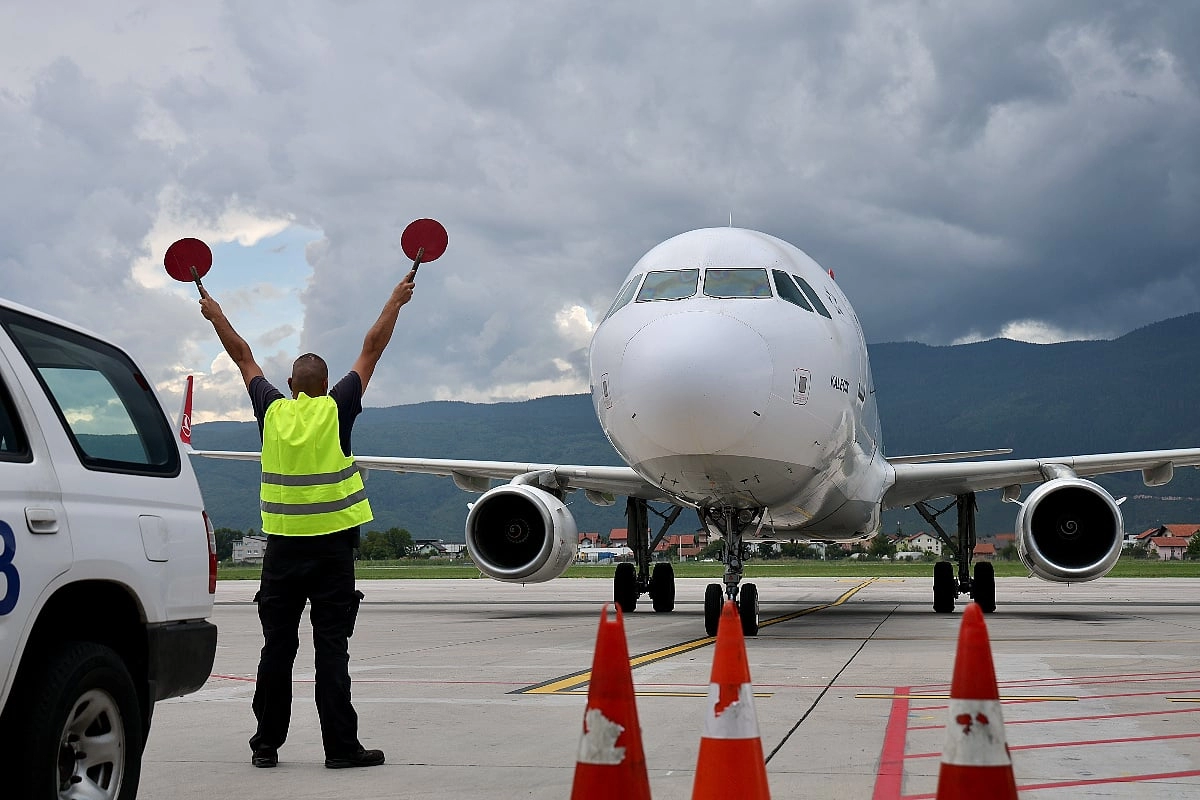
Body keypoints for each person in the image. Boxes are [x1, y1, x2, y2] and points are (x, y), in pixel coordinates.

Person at [199, 269, 416, 769]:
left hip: (281, 552)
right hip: (333, 552)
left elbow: (243, 356)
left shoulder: (272, 411)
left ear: (293, 385)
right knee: (331, 652)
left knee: (277, 651)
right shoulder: (337, 409)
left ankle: (266, 746)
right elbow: (372, 347)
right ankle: (340, 747)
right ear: (326, 385)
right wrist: (395, 300)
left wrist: (216, 315)